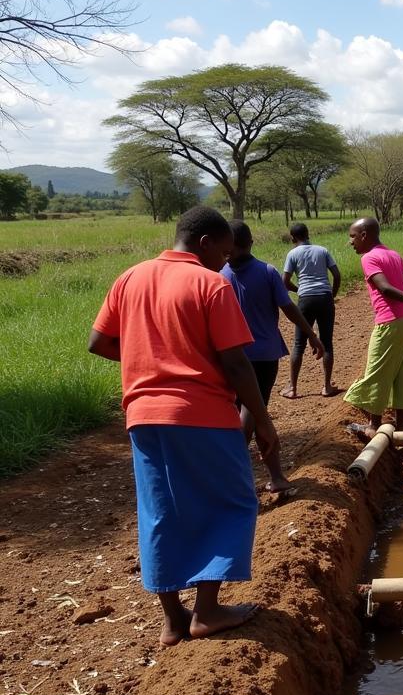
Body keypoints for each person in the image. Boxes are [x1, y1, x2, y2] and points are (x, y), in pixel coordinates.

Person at [88, 205, 278, 646]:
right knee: (232, 501)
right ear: (205, 243)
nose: (227, 261)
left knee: (161, 512)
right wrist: (263, 422)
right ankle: (207, 610)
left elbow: (99, 342)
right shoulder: (210, 284)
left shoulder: (130, 278)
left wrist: (147, 360)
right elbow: (235, 361)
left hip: (143, 416)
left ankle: (173, 621)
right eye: (225, 252)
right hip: (202, 413)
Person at [221, 219, 325, 493]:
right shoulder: (266, 272)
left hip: (230, 356)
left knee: (241, 411)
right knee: (255, 411)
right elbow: (288, 307)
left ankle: (259, 474)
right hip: (264, 355)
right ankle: (257, 475)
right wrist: (312, 335)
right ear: (251, 242)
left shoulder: (219, 275)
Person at [344, 217, 403, 431]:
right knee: (401, 373)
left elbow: (384, 288)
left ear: (365, 235)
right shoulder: (394, 255)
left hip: (389, 321)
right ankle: (401, 426)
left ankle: (373, 425)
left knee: (376, 371)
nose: (351, 242)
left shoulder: (369, 258)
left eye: (353, 237)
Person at [280, 221, 341, 399]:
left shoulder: (292, 254)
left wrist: (300, 289)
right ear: (308, 235)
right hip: (325, 297)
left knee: (299, 344)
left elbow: (284, 281)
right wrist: (332, 294)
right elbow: (336, 275)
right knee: (327, 342)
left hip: (305, 300)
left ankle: (293, 388)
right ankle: (327, 386)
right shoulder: (322, 250)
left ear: (292, 238)